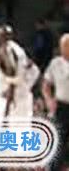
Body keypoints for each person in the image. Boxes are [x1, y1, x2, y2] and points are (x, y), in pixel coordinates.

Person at [0, 25, 39, 119]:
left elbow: (12, 76)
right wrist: (26, 86)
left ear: (2, 37)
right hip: (24, 97)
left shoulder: (5, 50)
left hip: (12, 101)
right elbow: (35, 70)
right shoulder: (19, 50)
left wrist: (7, 105)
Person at [42, 33, 69, 170]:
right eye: (63, 46)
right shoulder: (55, 63)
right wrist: (48, 99)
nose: (65, 49)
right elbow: (46, 84)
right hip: (62, 106)